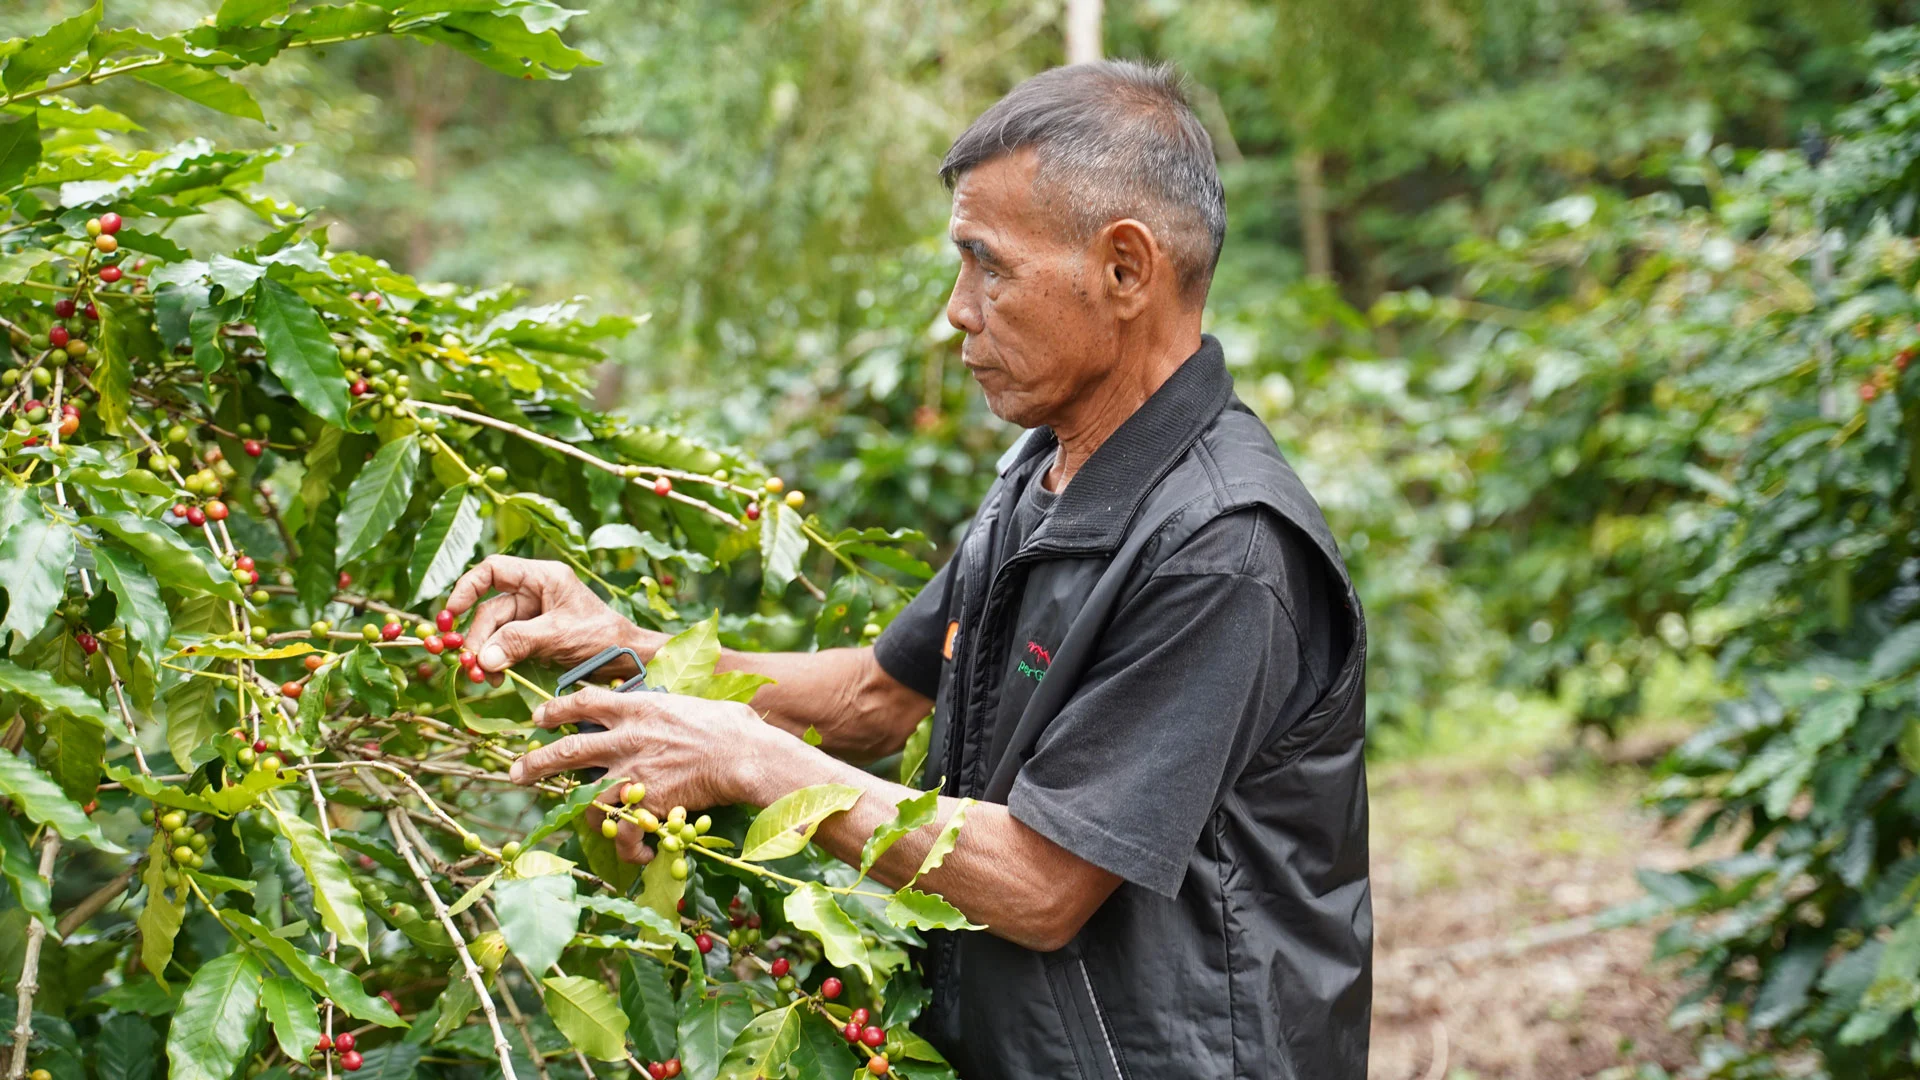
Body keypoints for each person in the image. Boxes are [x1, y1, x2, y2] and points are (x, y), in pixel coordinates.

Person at [446, 60, 1371, 1080]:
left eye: (988, 265)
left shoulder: (1225, 547)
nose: (957, 310)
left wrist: (751, 761)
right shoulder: (1048, 474)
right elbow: (878, 697)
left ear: (1124, 270)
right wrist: (633, 654)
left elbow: (1041, 885)